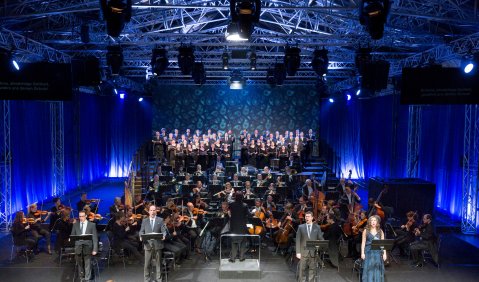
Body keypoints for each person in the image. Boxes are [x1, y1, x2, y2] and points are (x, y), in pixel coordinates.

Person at [140, 204, 167, 282]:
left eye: (154, 210)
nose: (152, 212)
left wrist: (164, 235)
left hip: (157, 244)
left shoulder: (160, 220)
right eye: (151, 210)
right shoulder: (144, 221)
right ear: (148, 212)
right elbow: (141, 231)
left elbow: (163, 231)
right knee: (147, 264)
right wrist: (140, 236)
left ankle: (159, 279)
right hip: (147, 244)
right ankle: (146, 279)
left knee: (158, 263)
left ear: (156, 211)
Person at [295, 211, 324, 282]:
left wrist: (320, 243)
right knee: (302, 271)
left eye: (308, 217)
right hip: (303, 252)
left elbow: (321, 239)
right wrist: (298, 252)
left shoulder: (317, 227)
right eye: (306, 216)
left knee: (312, 271)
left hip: (313, 253)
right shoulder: (300, 227)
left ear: (312, 218)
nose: (306, 218)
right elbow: (298, 240)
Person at [70, 210, 98, 282]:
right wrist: (71, 239)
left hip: (88, 246)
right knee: (79, 264)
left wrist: (95, 249)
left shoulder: (92, 225)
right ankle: (81, 277)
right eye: (80, 216)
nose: (81, 218)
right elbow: (72, 235)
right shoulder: (75, 225)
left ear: (86, 216)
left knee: (87, 263)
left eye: (82, 216)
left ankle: (87, 278)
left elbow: (95, 238)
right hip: (78, 247)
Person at [360, 215, 387, 282]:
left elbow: (383, 244)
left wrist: (384, 254)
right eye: (371, 220)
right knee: (369, 268)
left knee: (377, 269)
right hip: (368, 251)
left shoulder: (380, 231)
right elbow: (363, 243)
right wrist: (362, 253)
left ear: (377, 222)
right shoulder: (366, 231)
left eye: (375, 220)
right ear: (369, 222)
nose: (373, 222)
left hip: (377, 252)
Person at [228, 191, 250, 262]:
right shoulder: (245, 205)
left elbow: (229, 201)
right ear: (242, 197)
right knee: (243, 241)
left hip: (234, 225)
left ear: (235, 197)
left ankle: (233, 258)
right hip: (242, 226)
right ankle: (241, 257)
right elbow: (248, 214)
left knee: (234, 242)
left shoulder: (231, 204)